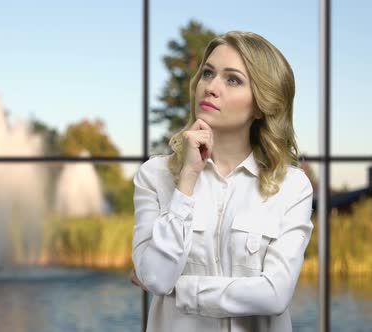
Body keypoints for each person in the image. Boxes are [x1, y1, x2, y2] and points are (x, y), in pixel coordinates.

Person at [128, 31, 314, 332]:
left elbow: (276, 295)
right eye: (208, 73)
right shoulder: (155, 175)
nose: (211, 88)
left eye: (233, 80)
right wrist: (187, 179)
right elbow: (157, 278)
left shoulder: (292, 187)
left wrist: (182, 290)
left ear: (261, 104)